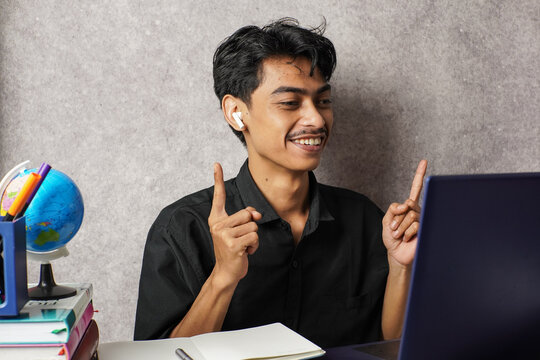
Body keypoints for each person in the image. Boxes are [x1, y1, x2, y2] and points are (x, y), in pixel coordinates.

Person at [134, 18, 427, 348]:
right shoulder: (181, 228)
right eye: (290, 103)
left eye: (323, 101)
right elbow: (155, 356)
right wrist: (223, 278)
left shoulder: (364, 219)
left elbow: (390, 344)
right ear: (236, 112)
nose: (316, 119)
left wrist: (401, 267)